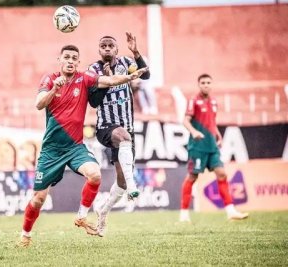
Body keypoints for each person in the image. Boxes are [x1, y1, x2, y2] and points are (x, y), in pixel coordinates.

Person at [19, 44, 148, 247]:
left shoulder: (84, 78)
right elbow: (39, 104)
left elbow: (110, 80)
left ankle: (81, 215)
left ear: (78, 62)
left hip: (75, 147)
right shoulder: (50, 78)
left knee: (95, 174)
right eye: (67, 57)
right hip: (51, 150)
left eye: (74, 58)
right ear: (59, 59)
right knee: (38, 199)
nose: (70, 61)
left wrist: (130, 77)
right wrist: (55, 89)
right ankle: (25, 235)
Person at [87, 33, 150, 237]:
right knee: (123, 136)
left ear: (116, 49)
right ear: (99, 50)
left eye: (110, 45)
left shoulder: (126, 62)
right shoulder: (94, 70)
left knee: (121, 182)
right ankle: (134, 186)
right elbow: (94, 102)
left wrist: (136, 52)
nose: (107, 48)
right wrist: (107, 82)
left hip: (127, 127)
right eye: (103, 45)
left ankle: (103, 211)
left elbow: (145, 75)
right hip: (106, 127)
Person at [179, 74, 249, 222]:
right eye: (203, 82)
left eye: (208, 82)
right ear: (199, 85)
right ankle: (184, 214)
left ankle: (231, 211)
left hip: (212, 146)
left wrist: (218, 135)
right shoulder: (194, 101)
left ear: (211, 84)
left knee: (222, 173)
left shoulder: (214, 101)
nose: (206, 85)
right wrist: (194, 132)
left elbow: (211, 121)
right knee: (192, 177)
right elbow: (185, 120)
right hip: (197, 147)